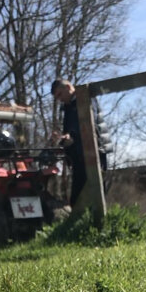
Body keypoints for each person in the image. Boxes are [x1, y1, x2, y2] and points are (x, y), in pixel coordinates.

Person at [50, 78, 112, 206]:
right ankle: (85, 223)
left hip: (95, 150)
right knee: (78, 197)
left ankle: (97, 223)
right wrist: (63, 139)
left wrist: (70, 135)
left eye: (60, 94)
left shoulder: (85, 98)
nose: (59, 99)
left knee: (94, 193)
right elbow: (72, 132)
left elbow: (89, 124)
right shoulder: (68, 107)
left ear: (68, 88)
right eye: (57, 97)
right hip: (80, 153)